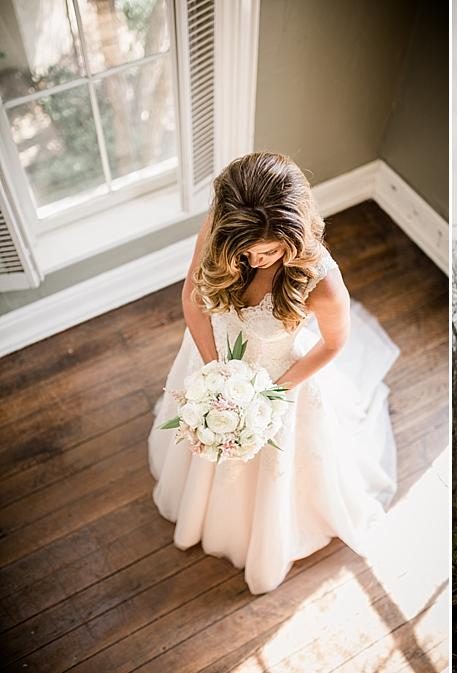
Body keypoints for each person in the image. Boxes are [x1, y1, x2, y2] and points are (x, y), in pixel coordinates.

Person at [147, 152, 400, 594]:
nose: (257, 257)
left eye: (270, 249)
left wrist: (266, 397)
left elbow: (335, 343)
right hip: (214, 360)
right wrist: (216, 374)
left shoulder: (319, 278)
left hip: (277, 385)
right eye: (247, 250)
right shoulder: (223, 230)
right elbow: (191, 297)